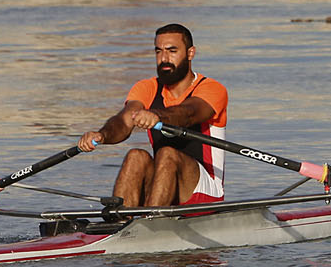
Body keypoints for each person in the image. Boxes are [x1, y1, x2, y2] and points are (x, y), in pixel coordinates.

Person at [79, 24, 228, 208]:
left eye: (172, 51)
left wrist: (157, 115)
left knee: (168, 154)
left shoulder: (212, 88)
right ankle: (119, 223)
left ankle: (149, 223)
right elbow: (124, 121)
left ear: (190, 53)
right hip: (163, 186)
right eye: (159, 51)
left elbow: (190, 113)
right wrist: (102, 135)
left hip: (205, 192)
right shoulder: (146, 87)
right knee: (136, 156)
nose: (164, 59)